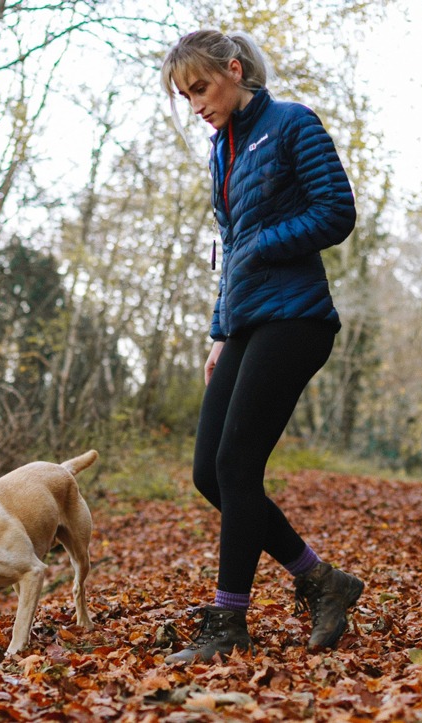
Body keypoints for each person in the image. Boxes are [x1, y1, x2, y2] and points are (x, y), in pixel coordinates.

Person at [159, 29, 365, 663]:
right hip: (247, 323)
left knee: (237, 467)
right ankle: (321, 580)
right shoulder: (220, 150)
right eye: (185, 96)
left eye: (201, 87)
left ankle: (228, 622)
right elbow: (229, 250)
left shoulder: (292, 123)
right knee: (210, 473)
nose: (196, 104)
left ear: (233, 69)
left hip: (297, 319)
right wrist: (220, 332)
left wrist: (262, 244)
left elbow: (337, 211)